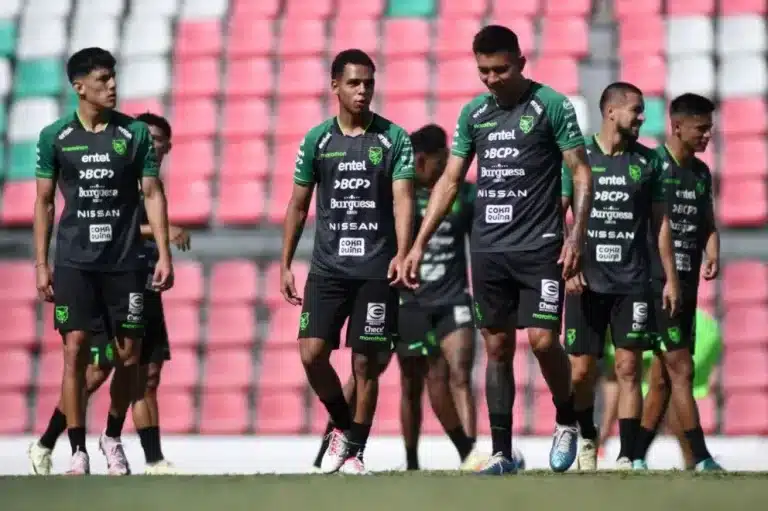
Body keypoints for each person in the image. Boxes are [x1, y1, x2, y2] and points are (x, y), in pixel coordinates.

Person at [403, 25, 594, 475]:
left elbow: (581, 173)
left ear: (521, 63)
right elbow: (450, 180)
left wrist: (577, 235)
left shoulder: (552, 106)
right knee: (498, 350)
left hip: (540, 245)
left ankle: (566, 418)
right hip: (490, 250)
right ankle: (503, 452)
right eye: (483, 70)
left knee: (544, 340)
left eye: (500, 69)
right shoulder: (473, 114)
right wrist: (417, 244)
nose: (491, 78)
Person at [309, 124, 483, 472]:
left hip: (444, 297)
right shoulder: (397, 192)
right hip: (401, 296)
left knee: (442, 373)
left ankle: (467, 453)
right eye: (441, 160)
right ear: (422, 160)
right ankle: (337, 448)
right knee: (378, 373)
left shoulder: (459, 194)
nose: (446, 167)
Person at [33, 47, 174, 475]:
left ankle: (112, 437)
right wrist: (41, 263)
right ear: (79, 87)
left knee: (130, 356)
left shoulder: (134, 135)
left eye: (114, 78)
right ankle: (77, 451)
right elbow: (43, 202)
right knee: (74, 352)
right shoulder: (54, 136)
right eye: (102, 80)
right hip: (76, 261)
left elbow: (152, 193)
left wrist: (164, 254)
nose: (113, 86)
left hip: (125, 261)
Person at [280, 49, 414, 475]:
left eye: (369, 83)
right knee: (312, 354)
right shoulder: (317, 140)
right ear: (335, 85)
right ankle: (342, 424)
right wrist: (285, 263)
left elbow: (403, 199)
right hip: (328, 268)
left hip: (376, 269)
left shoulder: (393, 138)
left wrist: (404, 251)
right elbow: (298, 205)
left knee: (365, 363)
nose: (362, 91)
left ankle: (355, 451)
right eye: (354, 83)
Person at [561, 82, 680, 471]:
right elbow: (557, 212)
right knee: (581, 371)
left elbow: (661, 224)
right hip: (585, 281)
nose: (642, 117)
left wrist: (672, 277)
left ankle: (628, 455)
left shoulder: (649, 163)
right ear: (611, 111)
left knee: (629, 368)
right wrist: (567, 266)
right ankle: (586, 436)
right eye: (636, 109)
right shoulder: (578, 157)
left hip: (633, 282)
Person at [632, 93, 723, 471]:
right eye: (701, 128)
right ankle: (701, 458)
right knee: (681, 368)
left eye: (710, 129)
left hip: (686, 284)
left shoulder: (701, 173)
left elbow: (708, 223)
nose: (707, 136)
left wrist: (713, 250)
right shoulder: (652, 166)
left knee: (663, 379)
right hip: (655, 284)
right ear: (677, 126)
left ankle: (634, 455)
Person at [597, 308, 723, 469]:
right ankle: (644, 458)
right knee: (659, 389)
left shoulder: (626, 324)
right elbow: (614, 384)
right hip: (689, 325)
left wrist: (604, 437)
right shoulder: (607, 337)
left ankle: (693, 459)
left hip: (697, 332)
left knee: (668, 390)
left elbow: (620, 384)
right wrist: (604, 436)